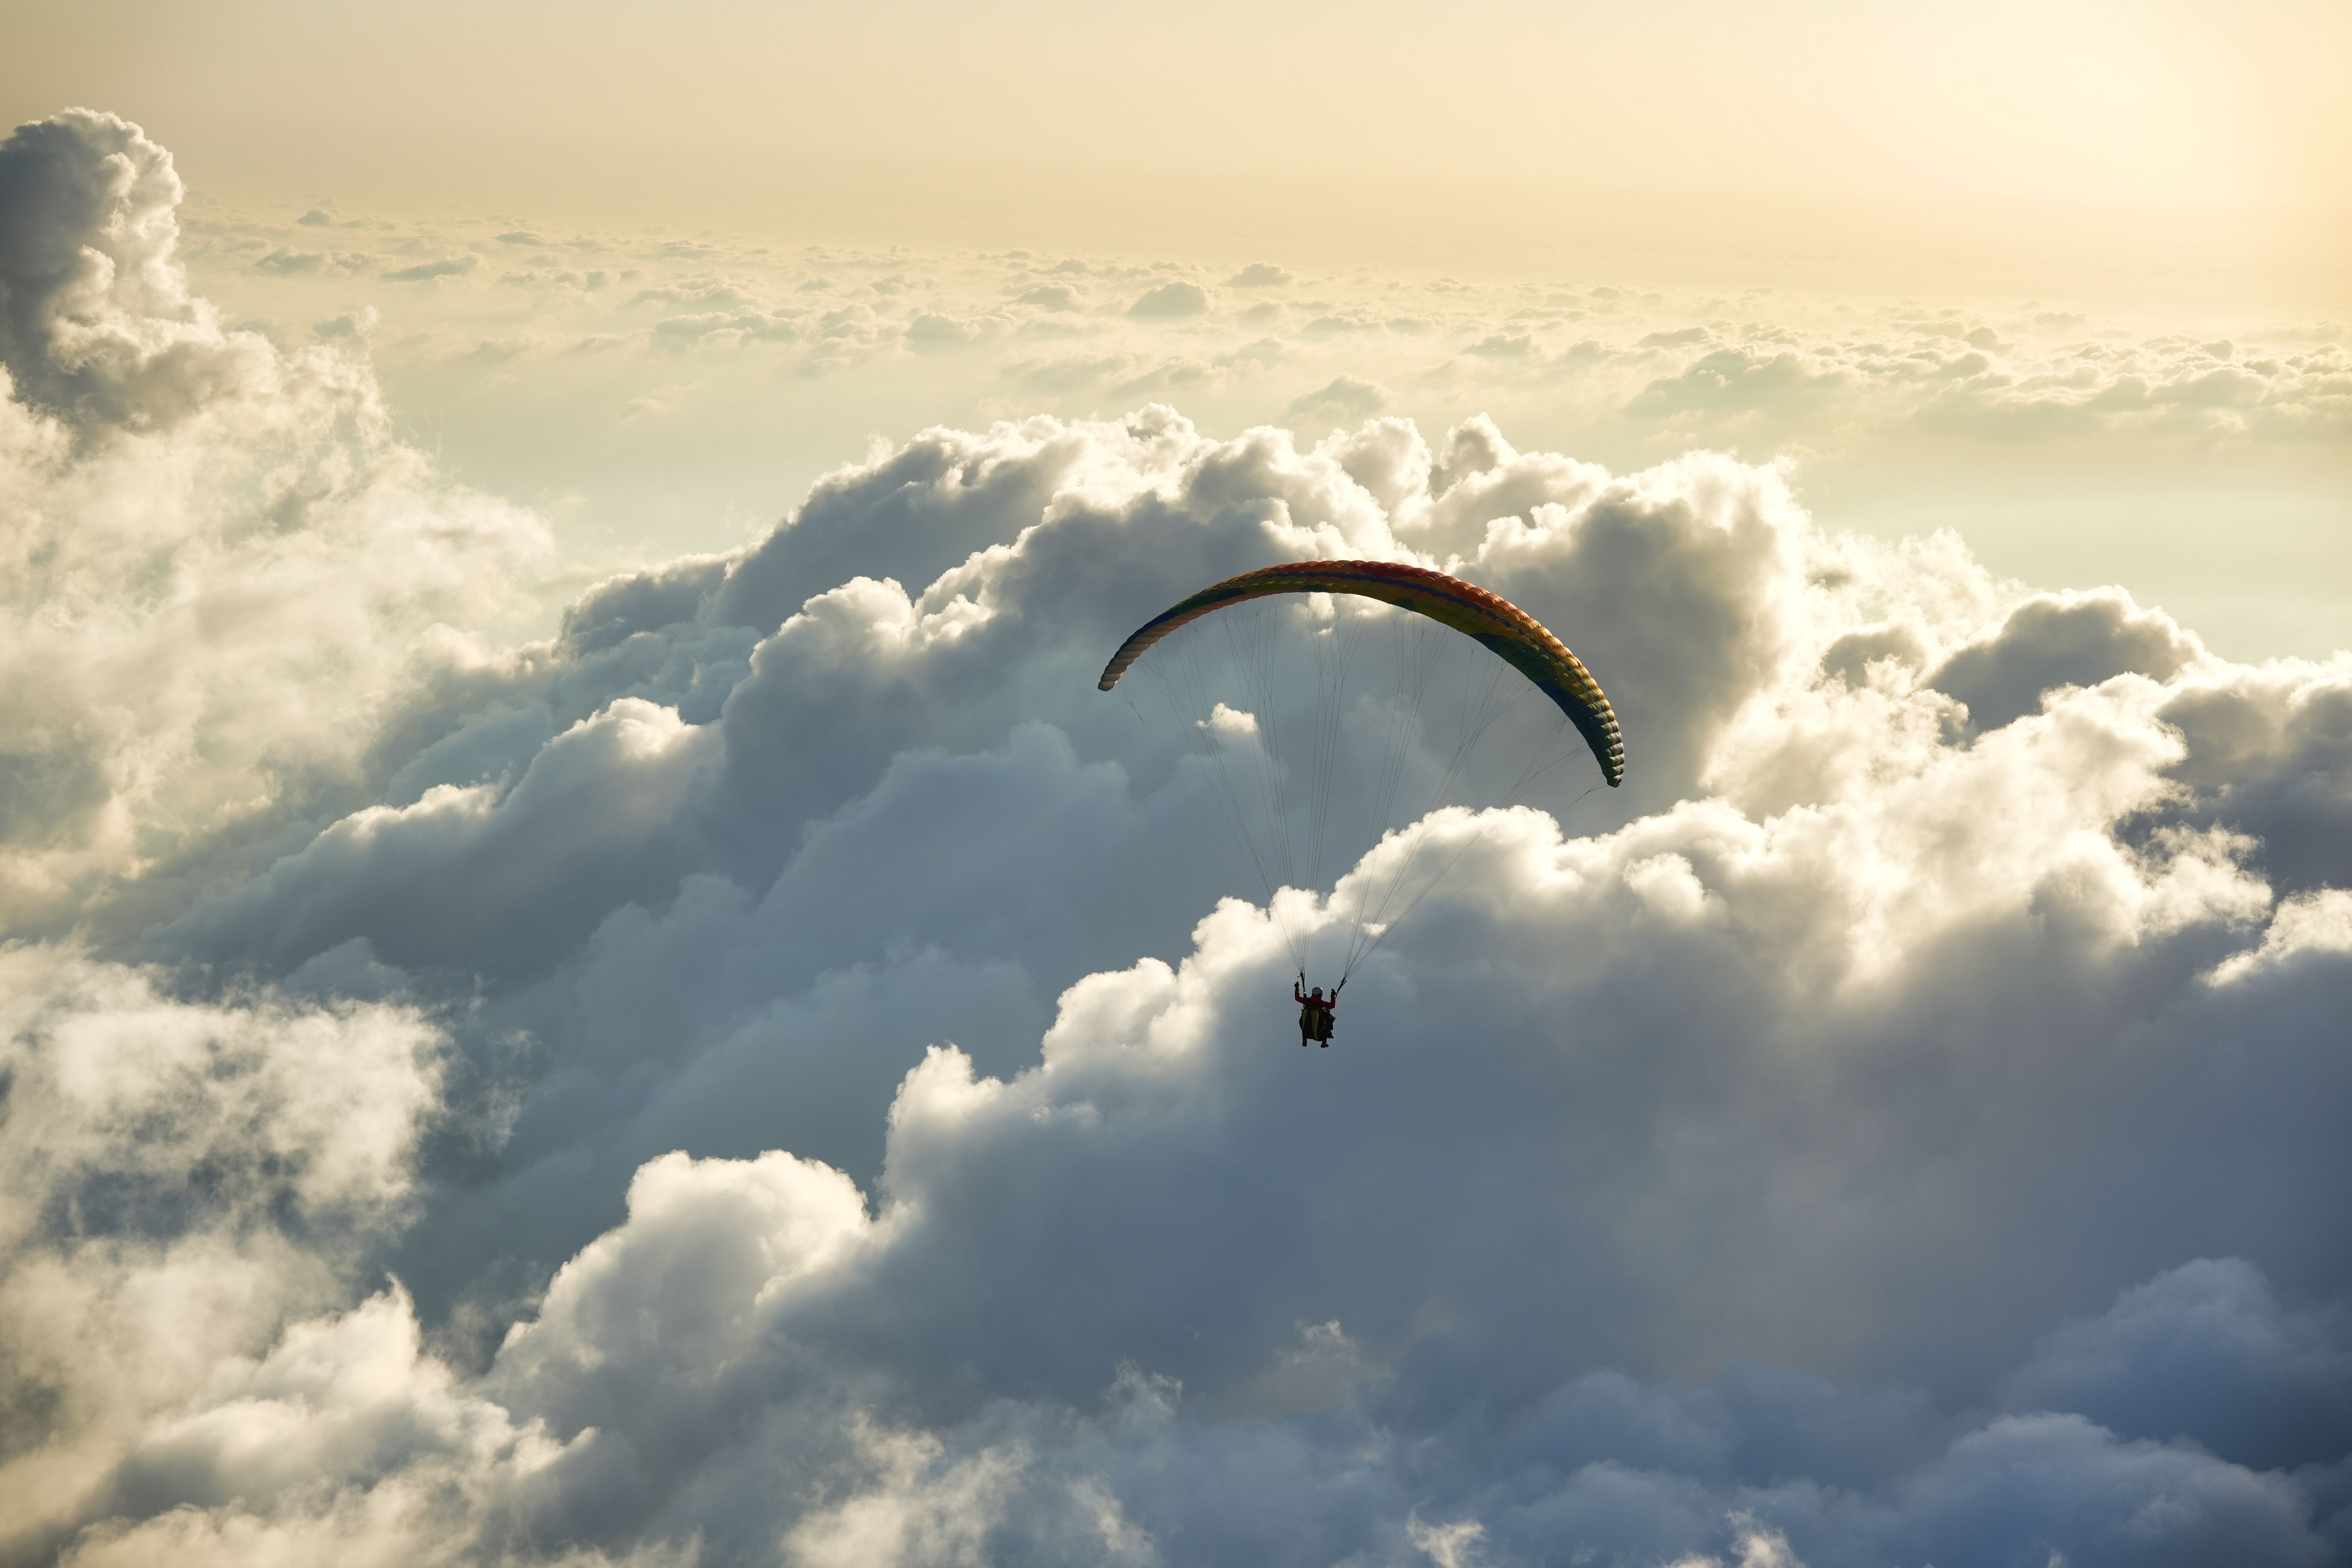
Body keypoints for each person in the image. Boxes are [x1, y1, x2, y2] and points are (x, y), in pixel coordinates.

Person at [1294, 971, 1342, 1048]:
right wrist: (1333, 996)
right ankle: (1325, 1041)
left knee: (1303, 1019)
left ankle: (1304, 1040)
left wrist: (1297, 989)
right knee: (1330, 1019)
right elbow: (1332, 1006)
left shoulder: (1307, 1001)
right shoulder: (1321, 1003)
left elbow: (1297, 998)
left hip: (1306, 1024)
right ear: (1320, 995)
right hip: (1319, 1024)